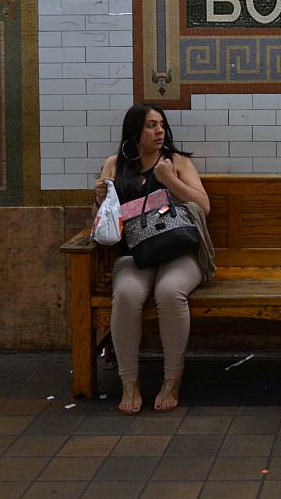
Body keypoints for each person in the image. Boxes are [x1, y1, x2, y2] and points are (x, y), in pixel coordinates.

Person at [93, 102, 212, 414]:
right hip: (135, 254)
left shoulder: (178, 162)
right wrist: (99, 201)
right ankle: (129, 381)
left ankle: (172, 379)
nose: (159, 131)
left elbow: (205, 207)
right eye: (150, 125)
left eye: (161, 125)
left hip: (179, 251)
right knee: (127, 294)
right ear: (135, 131)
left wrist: (170, 180)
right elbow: (103, 226)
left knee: (170, 292)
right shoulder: (114, 165)